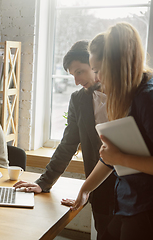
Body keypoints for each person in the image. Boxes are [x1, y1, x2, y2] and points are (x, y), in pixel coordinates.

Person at [13, 40, 116, 239]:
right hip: (99, 187)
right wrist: (44, 182)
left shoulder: (123, 94)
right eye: (72, 75)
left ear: (95, 66)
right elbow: (68, 144)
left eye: (80, 72)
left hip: (133, 186)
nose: (77, 81)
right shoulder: (79, 100)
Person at [66, 23, 153, 240]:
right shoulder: (127, 96)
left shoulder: (147, 98)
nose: (97, 78)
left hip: (145, 208)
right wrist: (85, 189)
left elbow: (116, 156)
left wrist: (120, 157)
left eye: (97, 71)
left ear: (115, 65)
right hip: (128, 203)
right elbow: (110, 156)